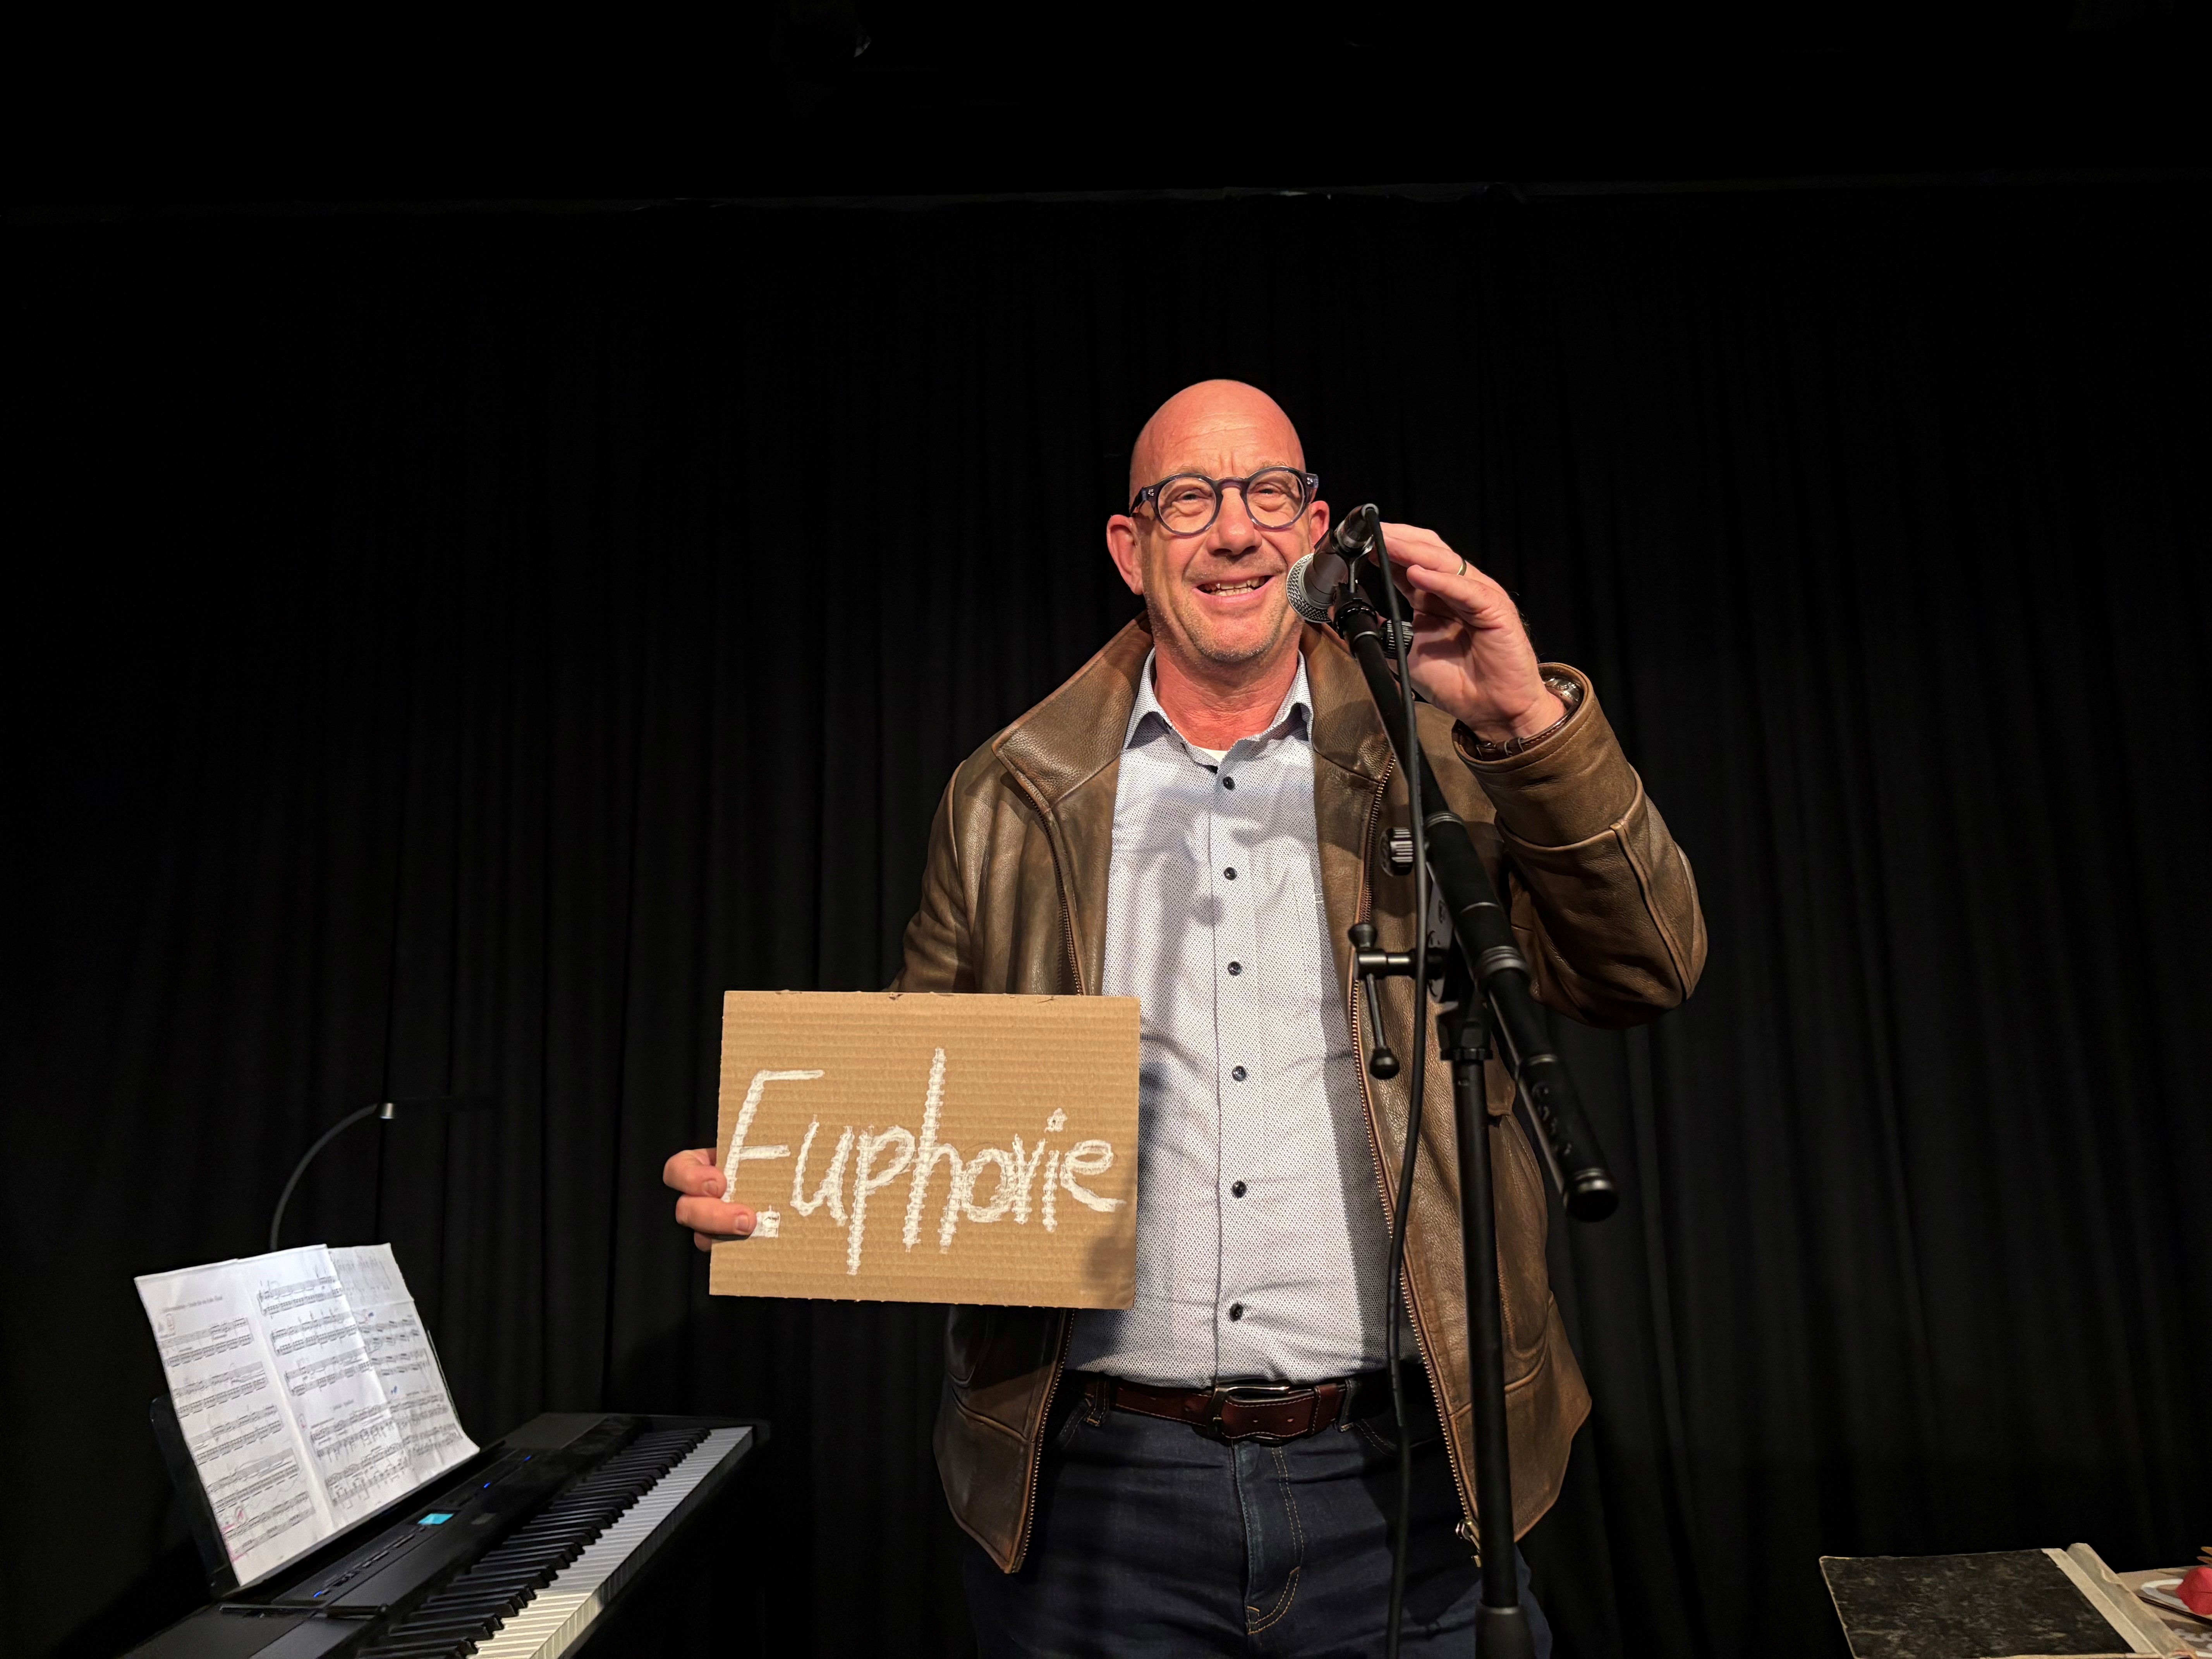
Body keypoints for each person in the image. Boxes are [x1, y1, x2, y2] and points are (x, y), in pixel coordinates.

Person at [665, 380, 1706, 1655]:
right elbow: (927, 1085)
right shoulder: (1011, 791)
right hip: (1100, 1496)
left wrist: (1526, 724)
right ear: (1131, 546)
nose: (1234, 532)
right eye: (1189, 499)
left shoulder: (1439, 754)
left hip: (1412, 1483)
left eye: (1269, 494)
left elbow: (1646, 966)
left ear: (1317, 530)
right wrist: (788, 1175)